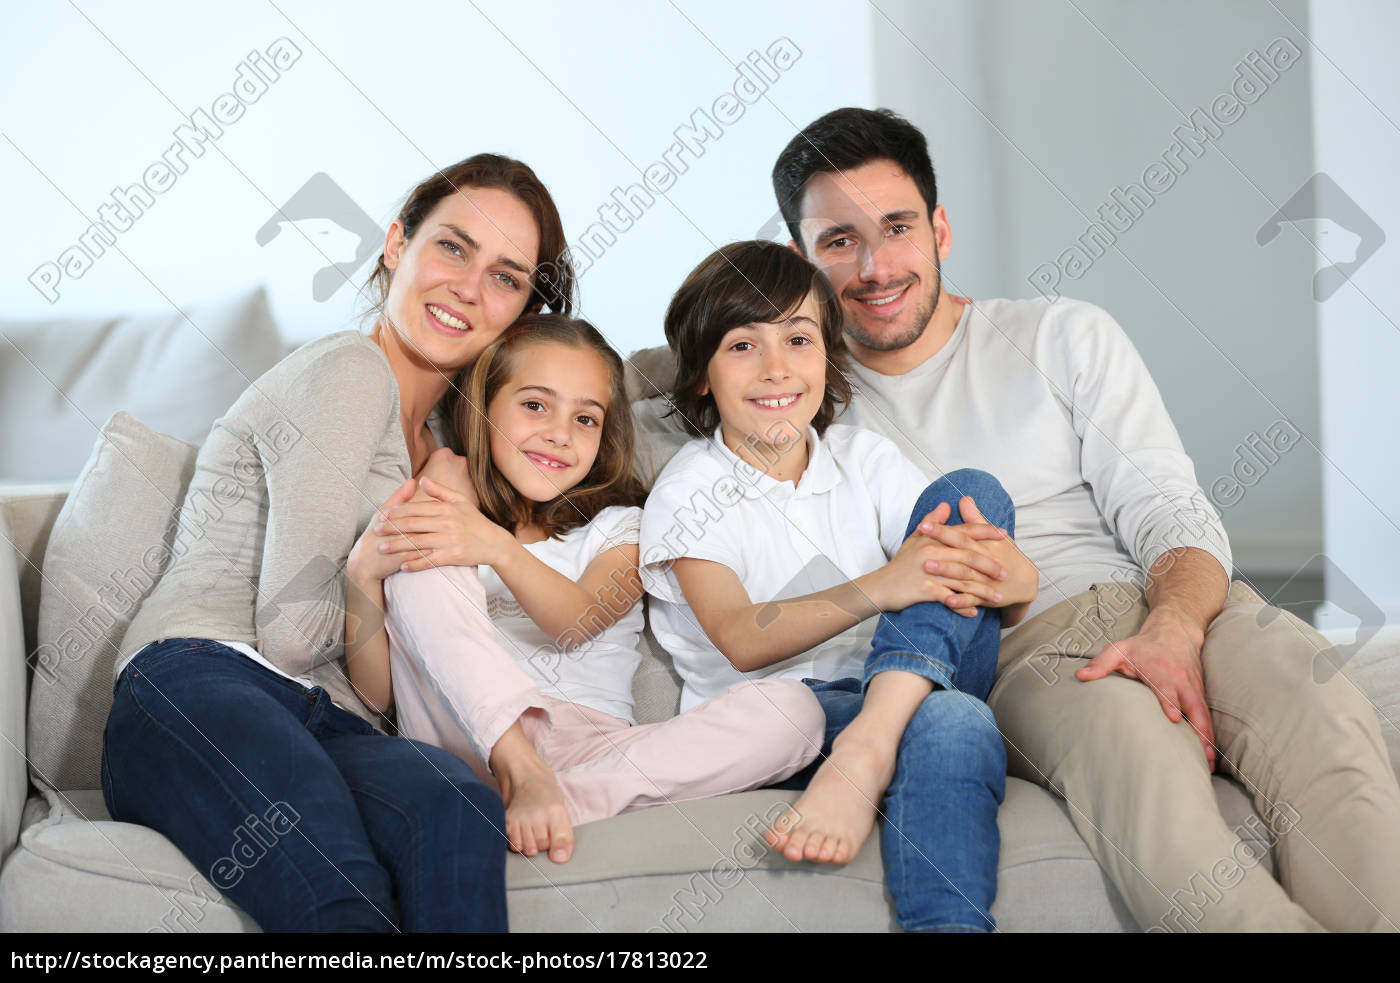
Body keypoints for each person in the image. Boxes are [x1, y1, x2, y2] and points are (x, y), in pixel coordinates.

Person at [759, 107, 1400, 932]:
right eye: (839, 240)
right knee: (1153, 794)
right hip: (1033, 650)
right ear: (795, 260)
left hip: (1184, 604)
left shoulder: (1061, 333)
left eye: (896, 226)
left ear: (940, 227)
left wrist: (1174, 627)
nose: (877, 265)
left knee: (1326, 729)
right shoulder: (798, 406)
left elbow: (1171, 509)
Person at [102, 153, 575, 932]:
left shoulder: (451, 450)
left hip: (328, 719)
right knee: (340, 895)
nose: (467, 286)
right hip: (201, 682)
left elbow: (381, 692)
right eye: (453, 247)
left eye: (506, 275)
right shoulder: (349, 370)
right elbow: (290, 639)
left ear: (523, 311)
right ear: (396, 245)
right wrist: (363, 569)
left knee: (455, 802)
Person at [638, 240, 1038, 932]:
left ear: (828, 355)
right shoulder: (690, 490)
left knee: (972, 492)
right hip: (786, 723)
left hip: (893, 690)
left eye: (798, 339)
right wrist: (883, 585)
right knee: (958, 720)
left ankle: (867, 747)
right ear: (701, 374)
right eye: (742, 346)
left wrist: (1019, 579)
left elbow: (981, 586)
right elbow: (738, 635)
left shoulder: (862, 457)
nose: (776, 368)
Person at [350, 315, 825, 865]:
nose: (560, 433)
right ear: (481, 407)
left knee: (797, 712)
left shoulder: (620, 528)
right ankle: (518, 776)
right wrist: (361, 577)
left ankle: (551, 803)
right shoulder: (450, 522)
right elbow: (376, 697)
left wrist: (495, 547)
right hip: (463, 739)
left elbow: (576, 622)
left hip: (592, 748)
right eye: (534, 405)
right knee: (425, 551)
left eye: (586, 418)